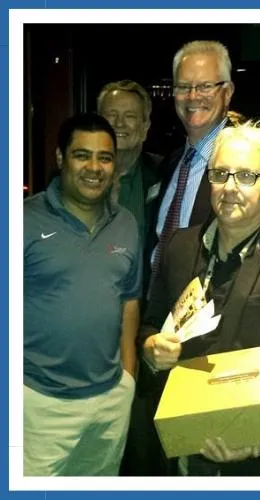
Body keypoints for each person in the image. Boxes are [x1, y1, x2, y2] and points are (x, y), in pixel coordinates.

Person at [132, 122, 260, 476]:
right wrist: (151, 347)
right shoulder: (179, 248)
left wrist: (254, 435)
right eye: (220, 174)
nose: (229, 188)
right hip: (179, 449)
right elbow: (150, 323)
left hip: (258, 461)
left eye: (245, 176)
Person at [23, 113, 141, 476]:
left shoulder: (126, 223)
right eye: (81, 155)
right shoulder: (22, 220)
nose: (94, 167)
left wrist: (128, 378)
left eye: (104, 158)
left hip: (109, 402)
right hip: (40, 403)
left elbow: (129, 300)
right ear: (60, 158)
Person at [147, 40, 260, 286]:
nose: (193, 96)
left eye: (206, 86)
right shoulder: (171, 163)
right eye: (183, 86)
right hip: (160, 311)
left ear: (228, 92)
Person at [97, 80, 162, 246]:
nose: (119, 123)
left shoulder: (165, 174)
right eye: (111, 115)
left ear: (145, 127)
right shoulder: (77, 176)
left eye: (130, 116)